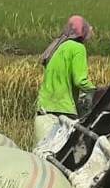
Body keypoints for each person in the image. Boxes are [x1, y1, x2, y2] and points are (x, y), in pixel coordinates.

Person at [34, 14, 95, 146]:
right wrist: (92, 91)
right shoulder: (78, 48)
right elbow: (80, 80)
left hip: (43, 111)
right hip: (63, 113)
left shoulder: (57, 47)